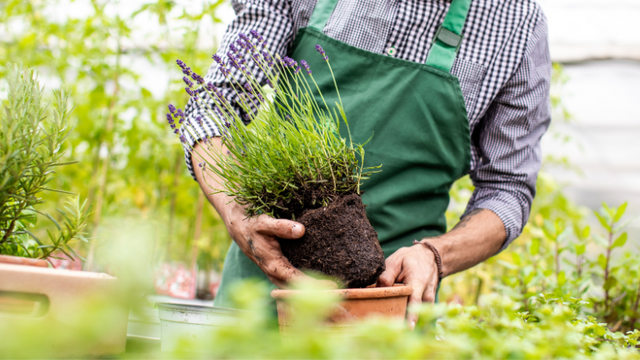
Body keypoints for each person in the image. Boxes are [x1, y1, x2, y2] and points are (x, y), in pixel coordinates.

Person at [180, 0, 551, 329]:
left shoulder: (516, 22)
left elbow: (508, 189)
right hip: (266, 289)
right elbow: (213, 108)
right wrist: (238, 215)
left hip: (390, 306)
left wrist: (435, 256)